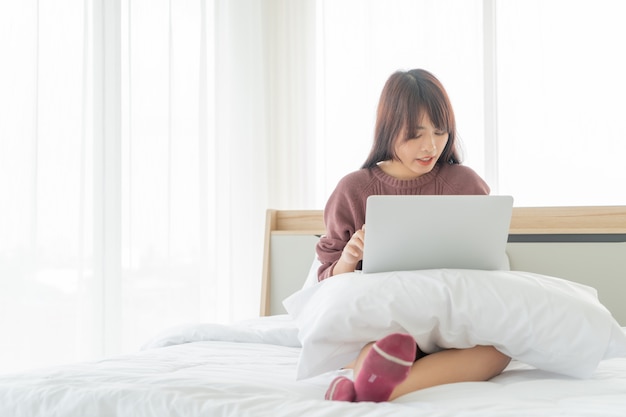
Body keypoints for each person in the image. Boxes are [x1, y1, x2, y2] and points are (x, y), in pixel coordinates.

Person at [316, 69, 511, 402]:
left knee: (501, 349)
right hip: (383, 321)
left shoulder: (466, 184)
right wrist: (349, 258)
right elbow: (326, 286)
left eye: (440, 131)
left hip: (450, 318)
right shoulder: (354, 189)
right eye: (415, 134)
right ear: (388, 131)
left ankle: (372, 390)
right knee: (369, 348)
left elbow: (487, 259)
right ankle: (378, 382)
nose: (431, 146)